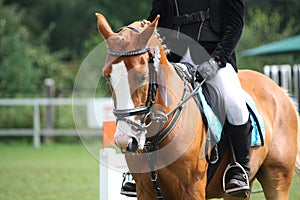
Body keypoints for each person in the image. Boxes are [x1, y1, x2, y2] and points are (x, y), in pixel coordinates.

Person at [121, 0, 252, 198]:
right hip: (172, 57)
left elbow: (235, 25)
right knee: (147, 98)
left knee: (234, 101)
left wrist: (218, 60)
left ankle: (239, 167)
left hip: (214, 57)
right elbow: (155, 20)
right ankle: (137, 172)